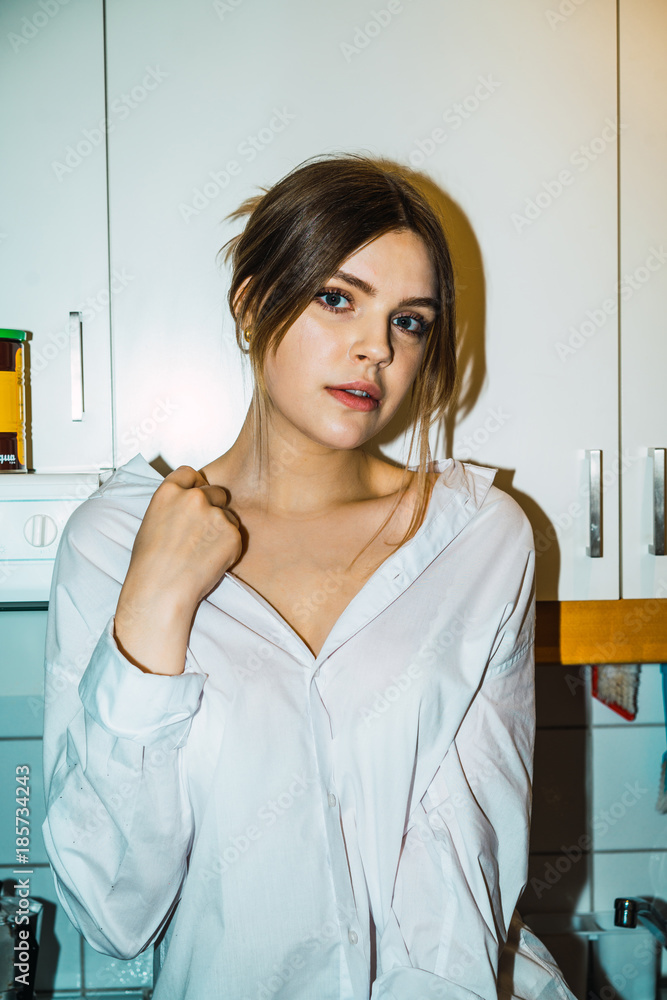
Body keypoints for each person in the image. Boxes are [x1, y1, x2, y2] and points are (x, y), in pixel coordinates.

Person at [42, 154, 574, 1000]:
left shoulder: (477, 540)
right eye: (337, 298)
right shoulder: (116, 542)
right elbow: (112, 913)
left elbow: (466, 855)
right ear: (252, 302)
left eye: (410, 321)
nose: (376, 349)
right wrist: (154, 605)